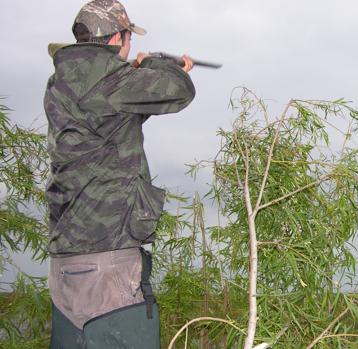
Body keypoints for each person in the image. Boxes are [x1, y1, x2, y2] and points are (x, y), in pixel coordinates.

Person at [44, 0, 195, 347]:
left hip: (66, 264)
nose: (130, 46)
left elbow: (111, 124)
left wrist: (137, 71)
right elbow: (179, 91)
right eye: (128, 37)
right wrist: (158, 64)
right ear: (116, 39)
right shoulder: (113, 80)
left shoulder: (60, 84)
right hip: (108, 265)